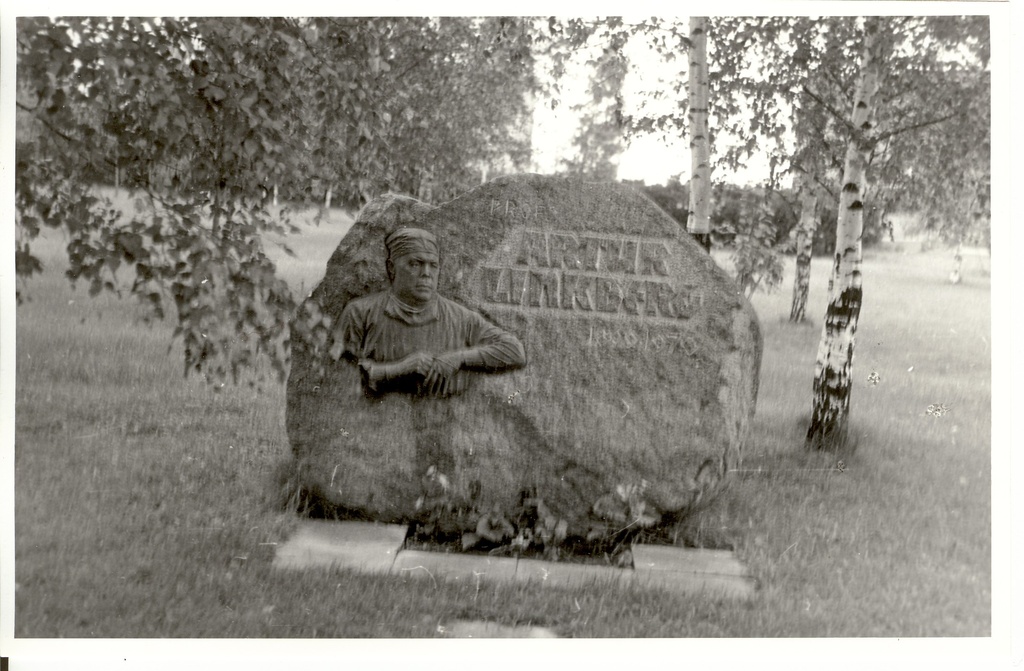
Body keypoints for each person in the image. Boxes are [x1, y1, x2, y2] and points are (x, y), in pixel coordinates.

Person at [335, 227, 526, 397]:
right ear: (391, 268)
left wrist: (459, 358)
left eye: (433, 265)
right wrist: (399, 369)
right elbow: (335, 375)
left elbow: (514, 351)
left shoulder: (459, 317)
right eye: (415, 264)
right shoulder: (360, 313)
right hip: (370, 424)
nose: (426, 273)